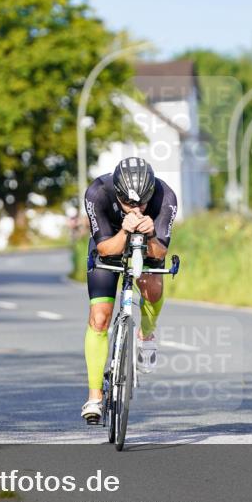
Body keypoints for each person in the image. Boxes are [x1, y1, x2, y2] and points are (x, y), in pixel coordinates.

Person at [80, 157, 177, 423]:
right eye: (129, 203)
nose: (136, 208)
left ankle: (146, 333)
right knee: (100, 317)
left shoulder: (165, 196)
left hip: (147, 245)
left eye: (142, 203)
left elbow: (160, 253)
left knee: (152, 286)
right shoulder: (98, 192)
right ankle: (95, 396)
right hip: (110, 240)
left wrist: (151, 236)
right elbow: (103, 249)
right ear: (118, 193)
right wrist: (124, 232)